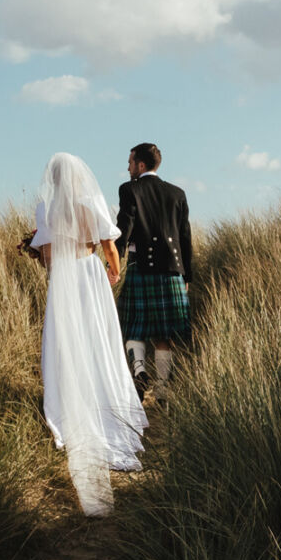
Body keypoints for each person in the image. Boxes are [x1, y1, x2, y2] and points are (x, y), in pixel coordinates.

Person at [29, 152, 147, 515]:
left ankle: (69, 405)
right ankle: (107, 401)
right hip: (89, 275)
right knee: (98, 340)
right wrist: (112, 271)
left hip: (64, 278)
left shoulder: (46, 209)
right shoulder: (91, 201)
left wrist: (36, 251)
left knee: (67, 342)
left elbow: (48, 256)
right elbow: (109, 244)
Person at [115, 142, 193, 396]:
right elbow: (185, 237)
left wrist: (114, 259)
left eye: (130, 163)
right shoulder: (177, 193)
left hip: (142, 267)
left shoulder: (130, 189)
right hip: (172, 270)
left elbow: (124, 226)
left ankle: (140, 373)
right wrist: (187, 274)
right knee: (164, 335)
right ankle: (161, 391)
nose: (128, 168)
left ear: (140, 164)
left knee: (134, 327)